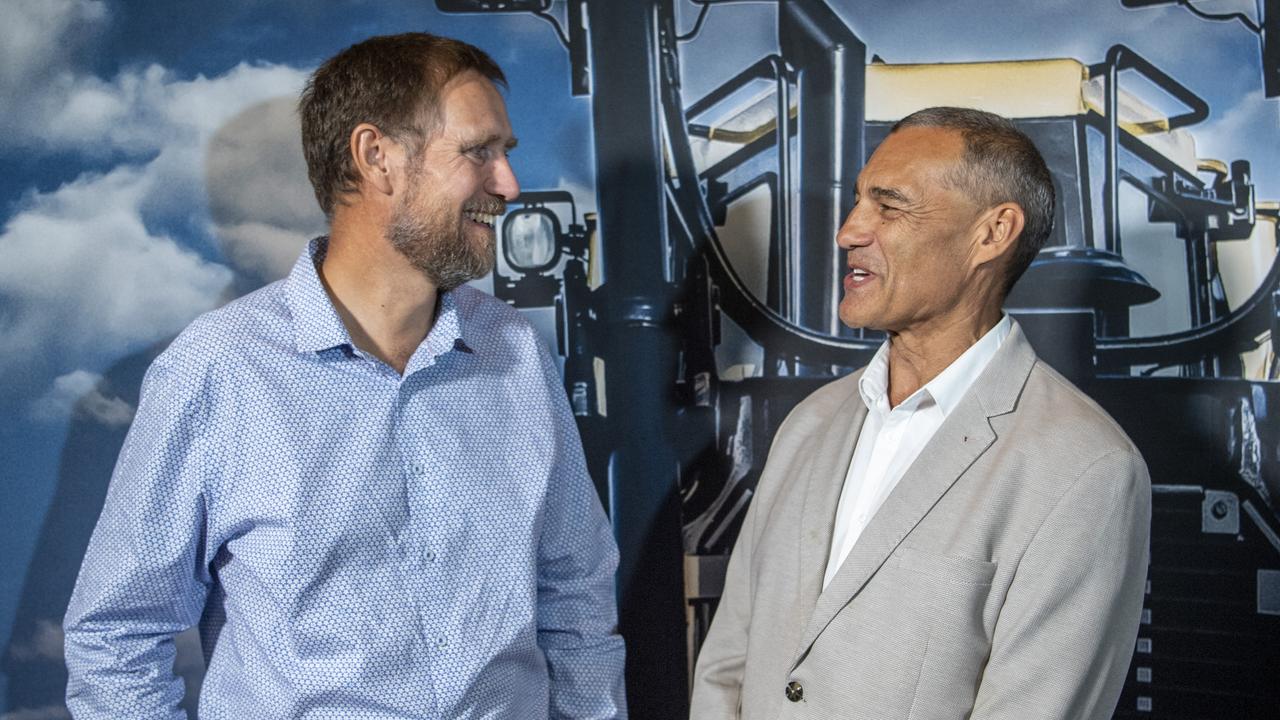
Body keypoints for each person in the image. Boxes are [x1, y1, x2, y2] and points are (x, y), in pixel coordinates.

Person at [64, 33, 625, 718]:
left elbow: (576, 600)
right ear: (376, 156)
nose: (507, 184)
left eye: (504, 153)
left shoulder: (515, 355)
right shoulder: (219, 369)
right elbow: (117, 636)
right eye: (478, 151)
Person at [690, 106, 1150, 720]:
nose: (849, 231)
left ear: (991, 234)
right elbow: (729, 664)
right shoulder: (810, 424)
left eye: (890, 206)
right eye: (858, 202)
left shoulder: (1085, 468)